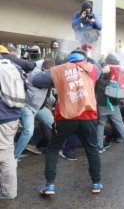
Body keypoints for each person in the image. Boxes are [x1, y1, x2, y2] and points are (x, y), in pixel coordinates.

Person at [32, 48, 103, 195]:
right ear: (83, 59)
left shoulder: (59, 70)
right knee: (92, 148)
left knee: (53, 149)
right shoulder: (92, 69)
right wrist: (88, 59)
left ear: (68, 59)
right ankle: (96, 184)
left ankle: (49, 185)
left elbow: (35, 80)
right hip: (88, 117)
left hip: (65, 117)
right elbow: (98, 66)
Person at [95, 54, 124, 155]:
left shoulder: (103, 72)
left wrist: (102, 72)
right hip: (114, 104)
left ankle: (99, 147)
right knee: (120, 125)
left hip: (102, 103)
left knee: (101, 124)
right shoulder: (118, 72)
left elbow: (98, 83)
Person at [14, 59, 55, 160]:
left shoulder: (49, 75)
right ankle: (14, 157)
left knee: (54, 125)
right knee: (28, 131)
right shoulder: (35, 75)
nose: (48, 75)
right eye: (47, 72)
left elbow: (49, 95)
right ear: (43, 68)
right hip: (28, 107)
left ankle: (41, 145)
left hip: (40, 107)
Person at [0, 53, 25, 199]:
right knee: (7, 151)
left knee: (4, 154)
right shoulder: (15, 67)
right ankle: (9, 190)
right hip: (13, 116)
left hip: (1, 116)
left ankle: (8, 192)